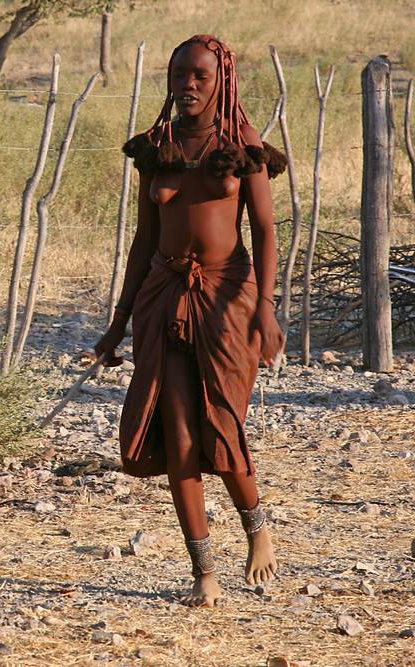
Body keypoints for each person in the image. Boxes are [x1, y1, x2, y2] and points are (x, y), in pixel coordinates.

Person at [95, 34, 286, 607]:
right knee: (177, 437)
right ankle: (203, 570)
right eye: (179, 75)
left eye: (200, 76)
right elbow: (144, 239)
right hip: (164, 296)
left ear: (221, 78)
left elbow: (266, 229)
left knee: (220, 427)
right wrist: (118, 322)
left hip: (228, 295)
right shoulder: (157, 145)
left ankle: (257, 530)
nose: (188, 86)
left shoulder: (242, 142)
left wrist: (266, 309)